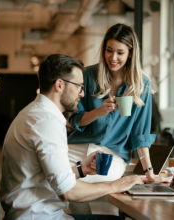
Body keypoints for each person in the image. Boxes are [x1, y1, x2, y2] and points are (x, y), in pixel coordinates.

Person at [0, 54, 143, 220]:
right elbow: (68, 192)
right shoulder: (46, 122)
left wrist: (82, 169)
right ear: (59, 85)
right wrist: (114, 185)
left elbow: (46, 176)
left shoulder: (34, 113)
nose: (82, 94)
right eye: (79, 86)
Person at [68, 23, 158, 184]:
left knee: (72, 179)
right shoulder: (88, 75)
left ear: (130, 53)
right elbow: (75, 121)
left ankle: (76, 207)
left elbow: (140, 135)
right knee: (49, 172)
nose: (113, 58)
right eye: (109, 50)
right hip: (78, 146)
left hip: (112, 153)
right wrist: (99, 112)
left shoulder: (142, 85)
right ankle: (73, 209)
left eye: (120, 52)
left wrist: (149, 172)